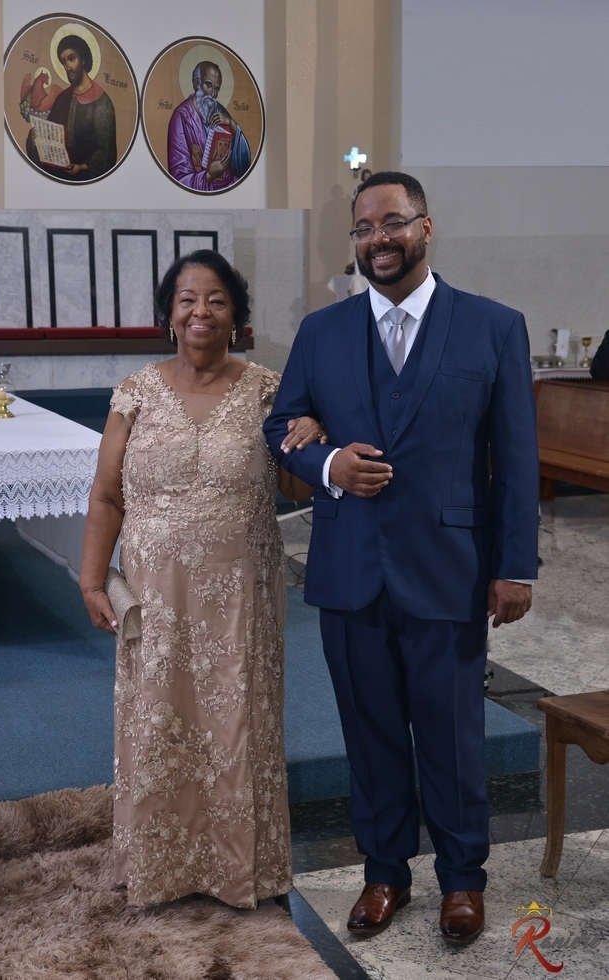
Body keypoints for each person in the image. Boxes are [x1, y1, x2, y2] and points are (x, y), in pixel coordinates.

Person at [264, 171, 540, 945]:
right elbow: (281, 425)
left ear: (424, 226)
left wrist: (514, 566)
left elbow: (516, 457)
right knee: (369, 732)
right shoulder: (322, 332)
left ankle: (462, 880)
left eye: (390, 222)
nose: (377, 239)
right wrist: (326, 464)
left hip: (449, 567)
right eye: (362, 228)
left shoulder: (492, 327)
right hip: (349, 568)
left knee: (452, 735)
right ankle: (383, 871)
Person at [79, 250, 323, 910]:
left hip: (239, 595)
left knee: (235, 726)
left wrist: (308, 436)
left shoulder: (268, 391)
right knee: (159, 723)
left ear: (236, 315)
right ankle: (158, 865)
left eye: (216, 300)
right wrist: (92, 581)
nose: (201, 312)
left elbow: (298, 488)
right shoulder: (135, 393)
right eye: (187, 299)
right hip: (155, 597)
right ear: (169, 313)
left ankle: (237, 868)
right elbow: (106, 496)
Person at [24, 34, 117, 181]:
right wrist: (37, 139)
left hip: (87, 178)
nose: (68, 67)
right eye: (64, 62)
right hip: (60, 173)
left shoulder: (102, 103)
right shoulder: (63, 98)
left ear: (83, 59)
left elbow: (107, 152)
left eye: (72, 59)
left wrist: (82, 167)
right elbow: (50, 135)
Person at [167, 61, 251, 191]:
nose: (213, 94)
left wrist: (231, 123)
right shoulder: (181, 117)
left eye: (216, 89)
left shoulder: (220, 110)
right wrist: (209, 175)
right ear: (196, 83)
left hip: (230, 185)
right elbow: (178, 177)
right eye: (208, 85)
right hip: (202, 188)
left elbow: (244, 164)